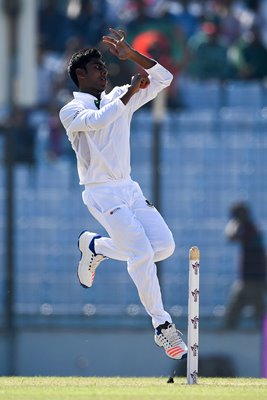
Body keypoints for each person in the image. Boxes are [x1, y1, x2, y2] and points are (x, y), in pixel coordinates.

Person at [59, 28, 187, 360]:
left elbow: (164, 79)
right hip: (100, 193)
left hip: (128, 188)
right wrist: (129, 93)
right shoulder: (71, 111)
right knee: (141, 251)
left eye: (104, 65)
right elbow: (100, 120)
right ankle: (162, 326)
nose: (104, 71)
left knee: (164, 246)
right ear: (80, 75)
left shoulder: (119, 96)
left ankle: (95, 246)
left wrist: (131, 55)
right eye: (97, 67)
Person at [224, 202, 266, 329]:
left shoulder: (249, 228)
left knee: (259, 311)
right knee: (234, 309)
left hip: (252, 278)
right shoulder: (250, 227)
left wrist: (233, 222)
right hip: (248, 277)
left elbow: (230, 237)